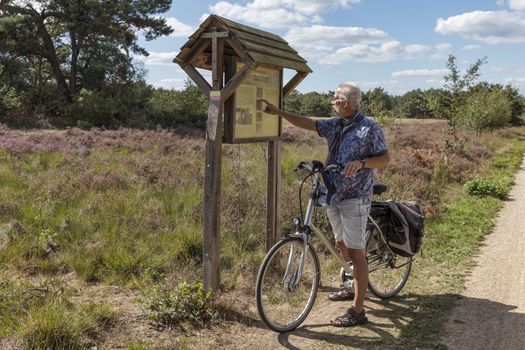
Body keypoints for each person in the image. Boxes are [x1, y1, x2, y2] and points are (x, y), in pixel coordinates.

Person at [261, 82, 391, 327]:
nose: (332, 102)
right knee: (341, 244)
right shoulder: (335, 125)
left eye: (335, 98)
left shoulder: (368, 127)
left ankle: (358, 309)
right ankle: (351, 283)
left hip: (355, 195)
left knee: (357, 251)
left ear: (347, 103)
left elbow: (385, 158)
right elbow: (309, 123)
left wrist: (362, 163)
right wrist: (279, 113)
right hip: (332, 193)